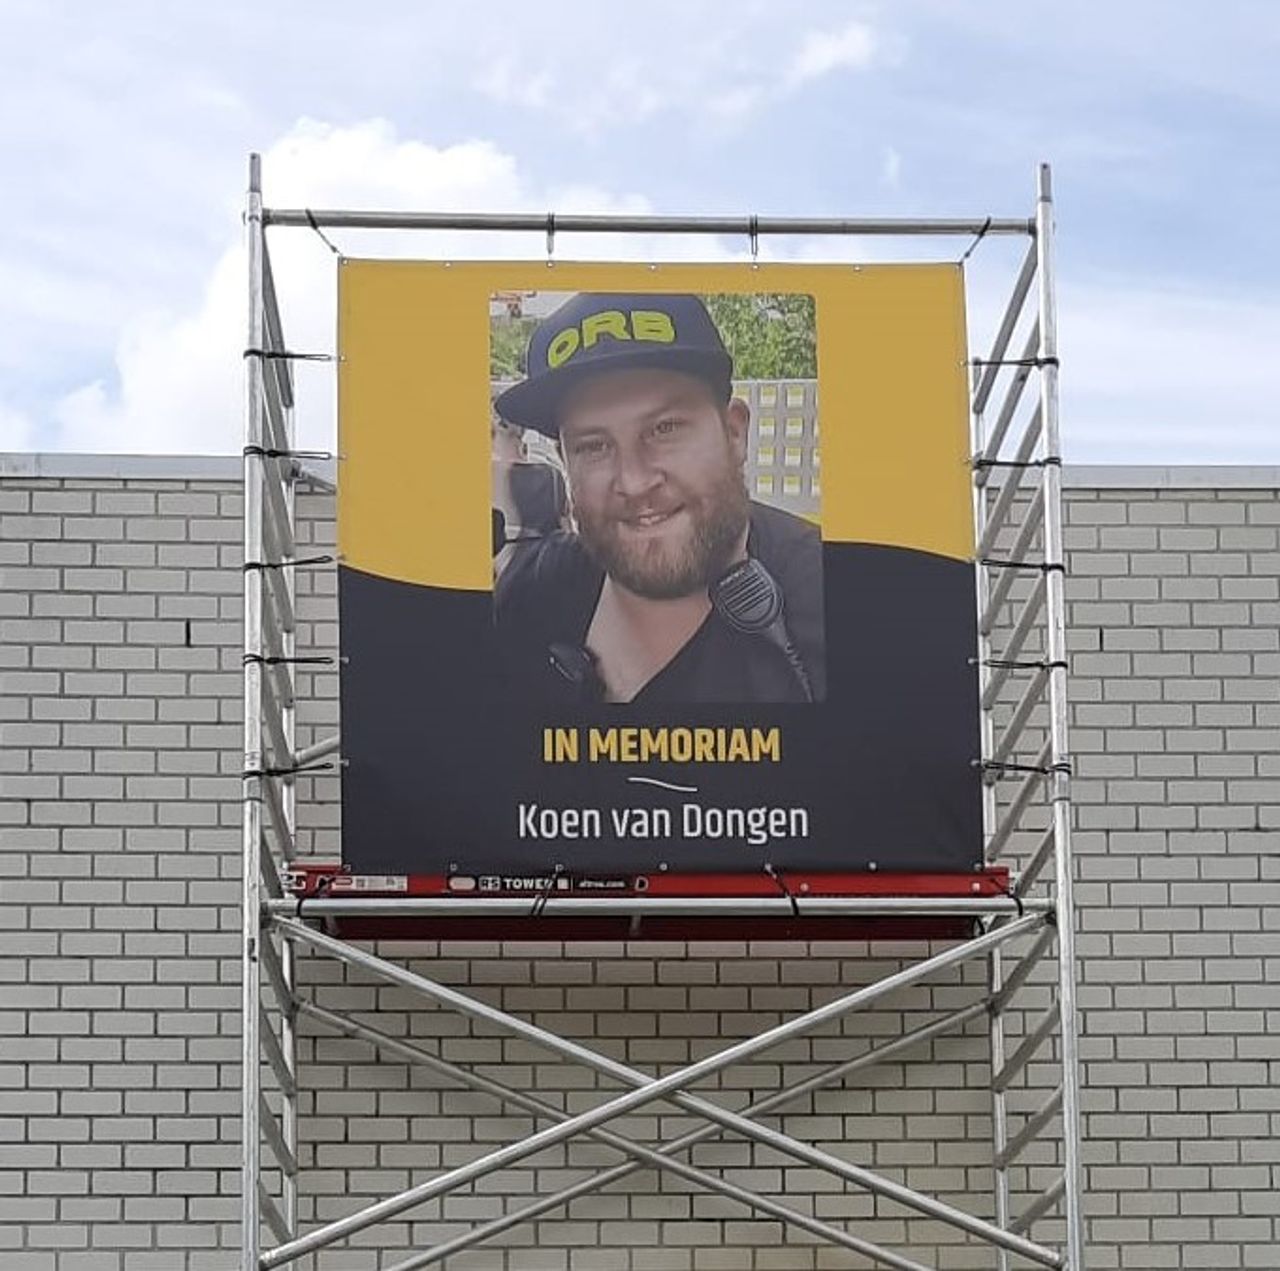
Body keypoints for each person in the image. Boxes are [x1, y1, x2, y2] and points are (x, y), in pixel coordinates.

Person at [492, 292, 825, 704]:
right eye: (593, 446)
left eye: (664, 429)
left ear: (734, 434)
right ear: (565, 461)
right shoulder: (528, 598)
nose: (633, 482)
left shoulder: (828, 609)